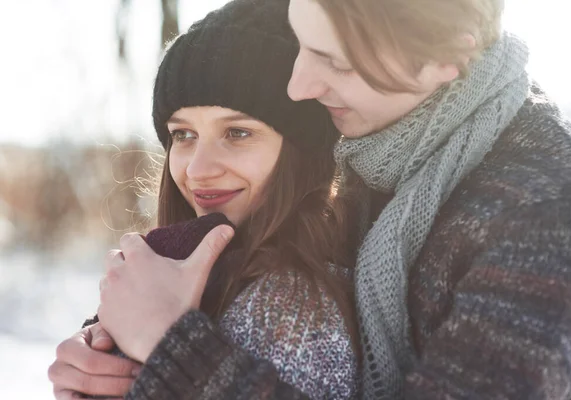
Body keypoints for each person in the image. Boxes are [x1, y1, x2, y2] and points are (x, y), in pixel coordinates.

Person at [51, 0, 571, 398]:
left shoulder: (548, 217)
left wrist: (171, 347)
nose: (298, 85)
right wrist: (107, 347)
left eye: (333, 60)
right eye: (302, 40)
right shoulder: (376, 144)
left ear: (444, 59)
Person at [48, 0, 360, 399]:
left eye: (238, 133)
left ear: (303, 150)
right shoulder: (220, 274)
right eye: (183, 135)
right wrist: (104, 347)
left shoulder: (289, 309)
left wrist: (162, 343)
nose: (197, 169)